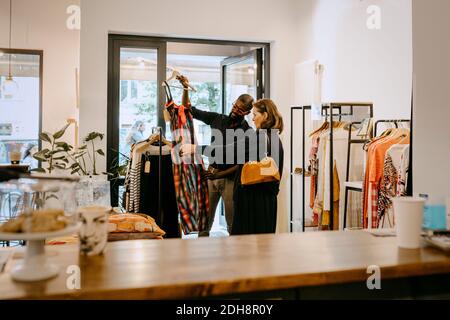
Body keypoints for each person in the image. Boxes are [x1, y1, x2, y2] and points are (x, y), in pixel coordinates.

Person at [177, 75, 254, 236]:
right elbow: (188, 109)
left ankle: (236, 257)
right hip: (210, 175)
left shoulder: (248, 133)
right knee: (204, 222)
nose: (235, 110)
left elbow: (243, 164)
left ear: (247, 112)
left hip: (231, 180)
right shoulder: (218, 119)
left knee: (232, 223)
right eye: (234, 106)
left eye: (240, 110)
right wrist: (185, 88)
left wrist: (220, 173)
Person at [230, 99, 284, 235]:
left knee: (247, 249)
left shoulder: (259, 138)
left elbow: (228, 151)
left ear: (265, 115)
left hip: (252, 203)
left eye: (255, 115)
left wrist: (196, 148)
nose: (252, 119)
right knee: (263, 248)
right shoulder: (275, 138)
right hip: (267, 201)